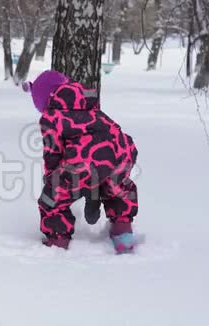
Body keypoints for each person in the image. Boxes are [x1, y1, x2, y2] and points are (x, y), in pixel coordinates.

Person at [23, 70, 139, 253]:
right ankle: (123, 234)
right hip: (121, 152)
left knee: (52, 198)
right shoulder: (90, 105)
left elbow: (52, 152)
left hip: (85, 161)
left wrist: (52, 179)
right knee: (118, 191)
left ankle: (58, 241)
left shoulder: (51, 117)